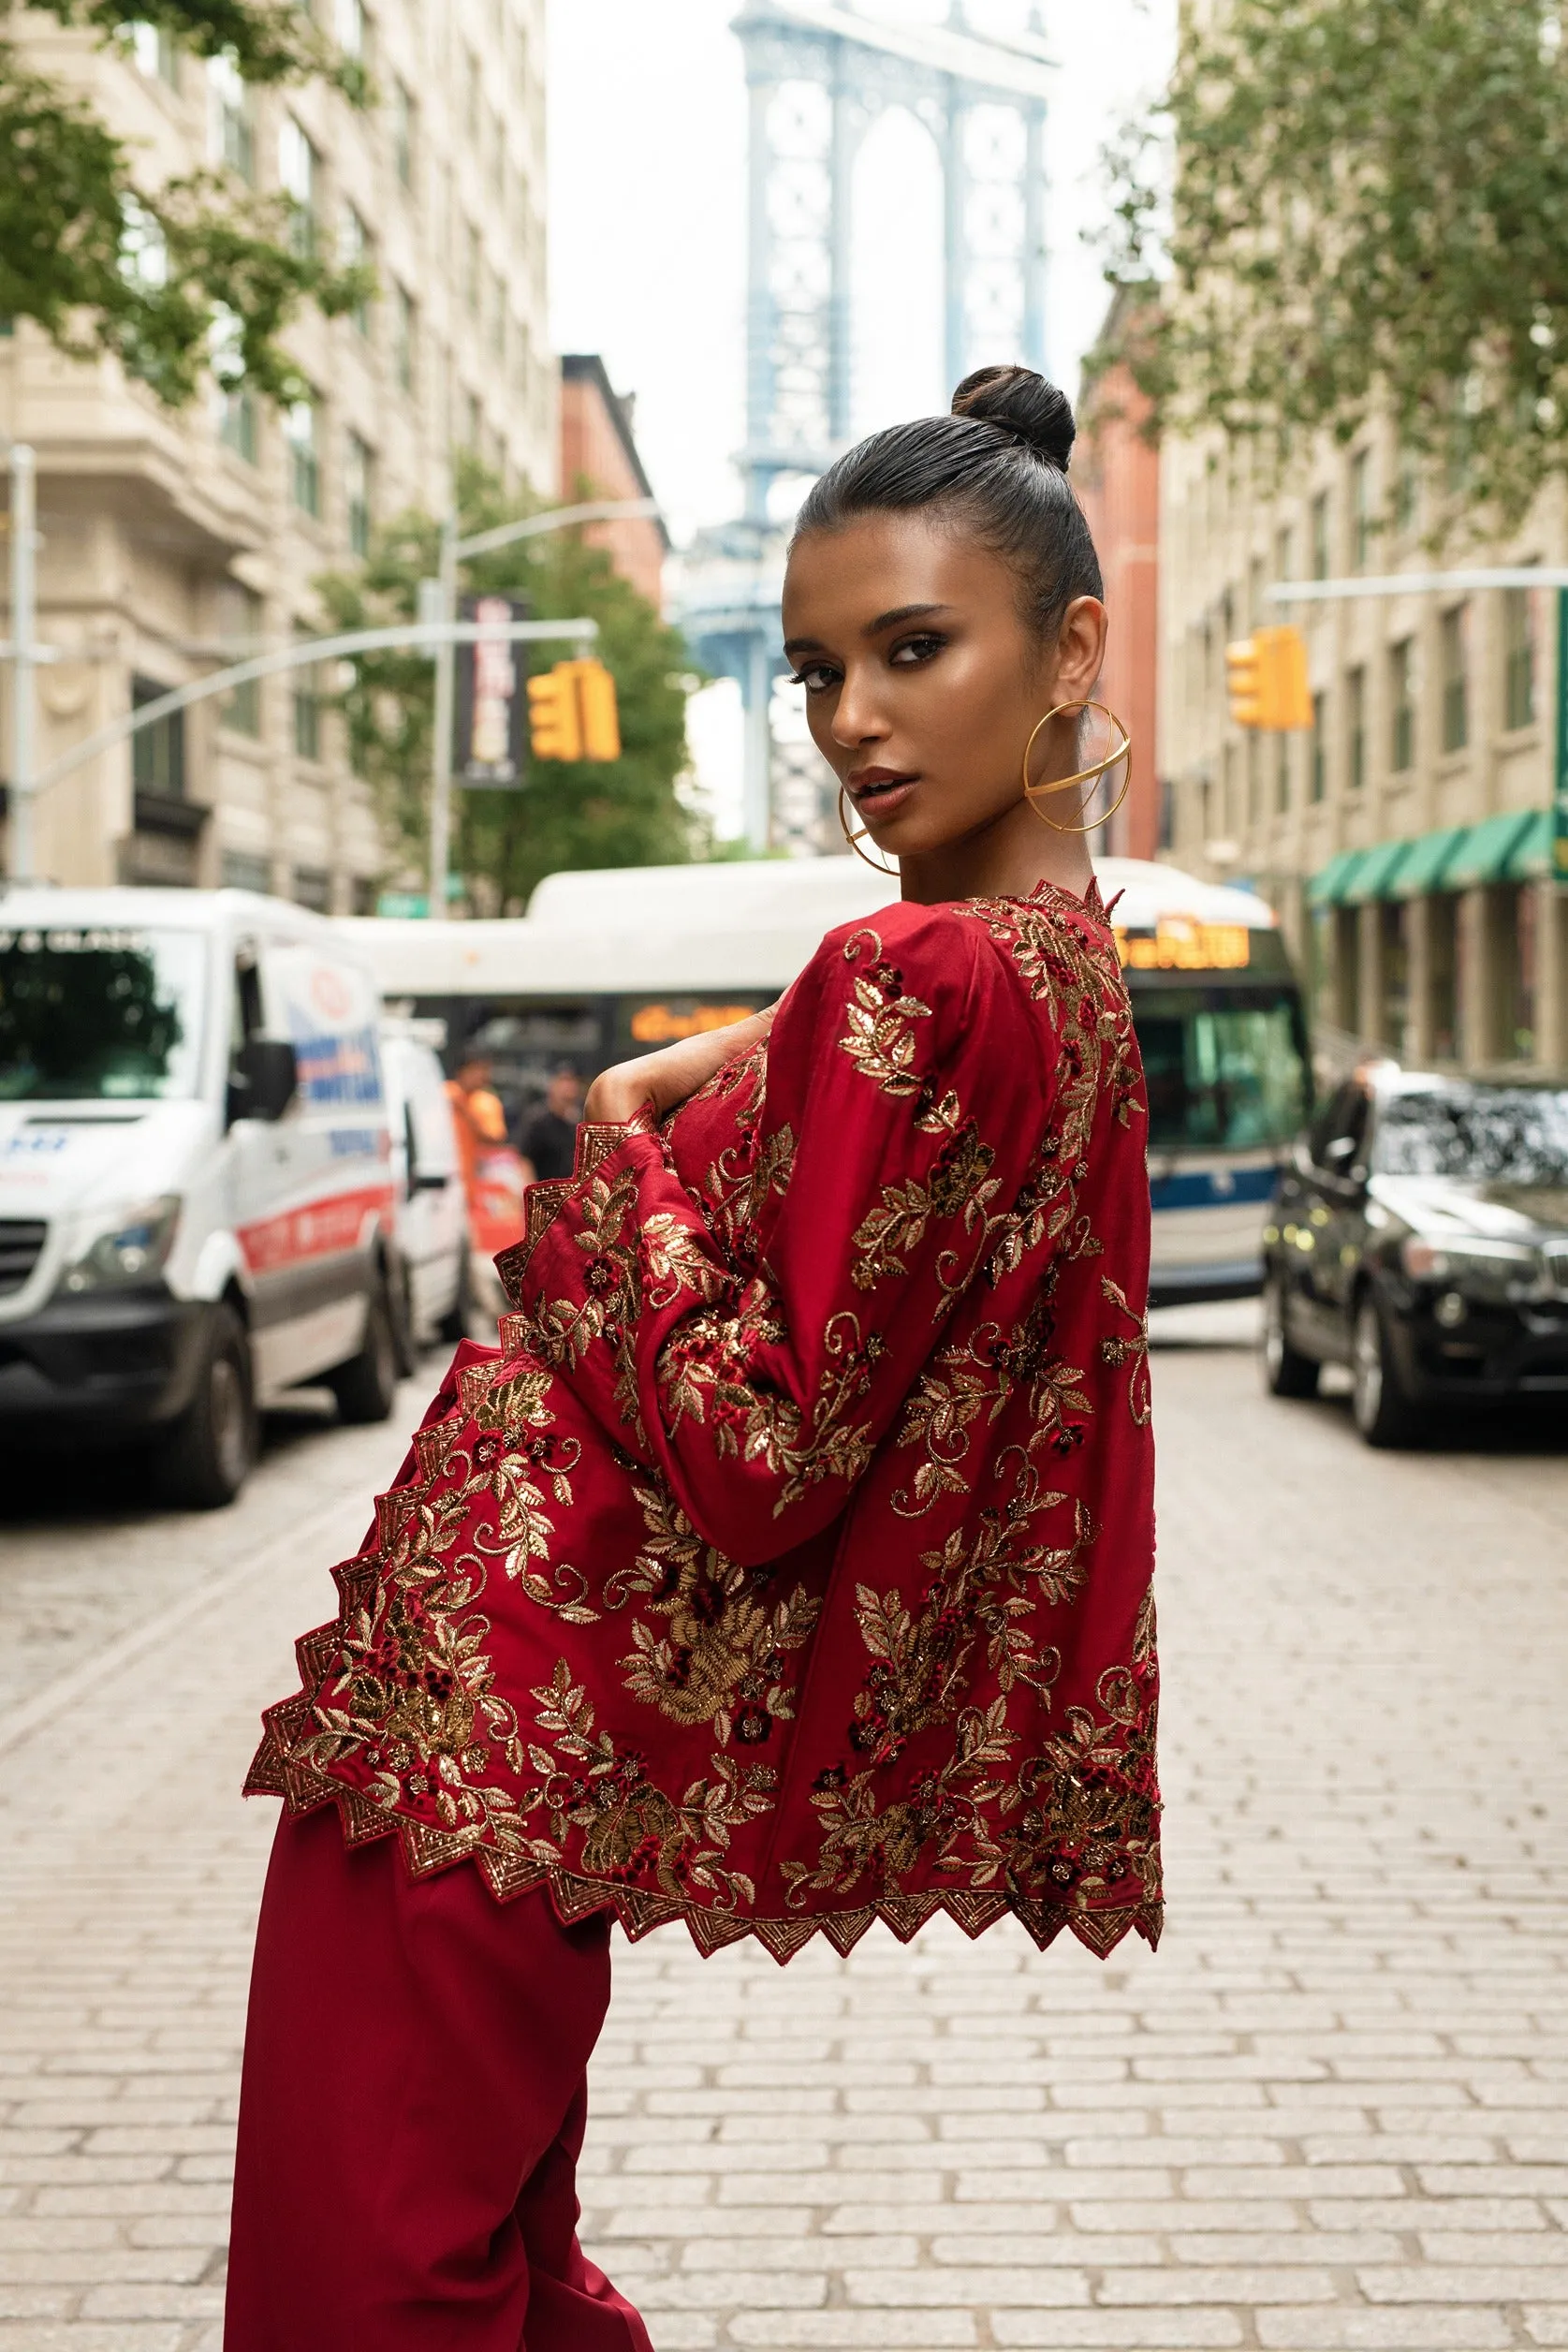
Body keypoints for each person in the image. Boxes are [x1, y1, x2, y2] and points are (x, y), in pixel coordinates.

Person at [227, 363, 1161, 2351]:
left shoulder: (917, 967)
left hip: (491, 1723)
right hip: (518, 1736)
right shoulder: (1061, 957)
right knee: (492, 2258)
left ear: (1075, 646)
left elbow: (766, 1451)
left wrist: (619, 1156)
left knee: (380, 2280)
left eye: (916, 647)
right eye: (818, 668)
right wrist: (731, 1057)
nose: (852, 717)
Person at [517, 1062, 584, 1183]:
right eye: (564, 1080)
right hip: (545, 1191)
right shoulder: (538, 1120)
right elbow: (525, 1160)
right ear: (552, 1084)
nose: (568, 1086)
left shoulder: (580, 1120)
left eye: (573, 1081)